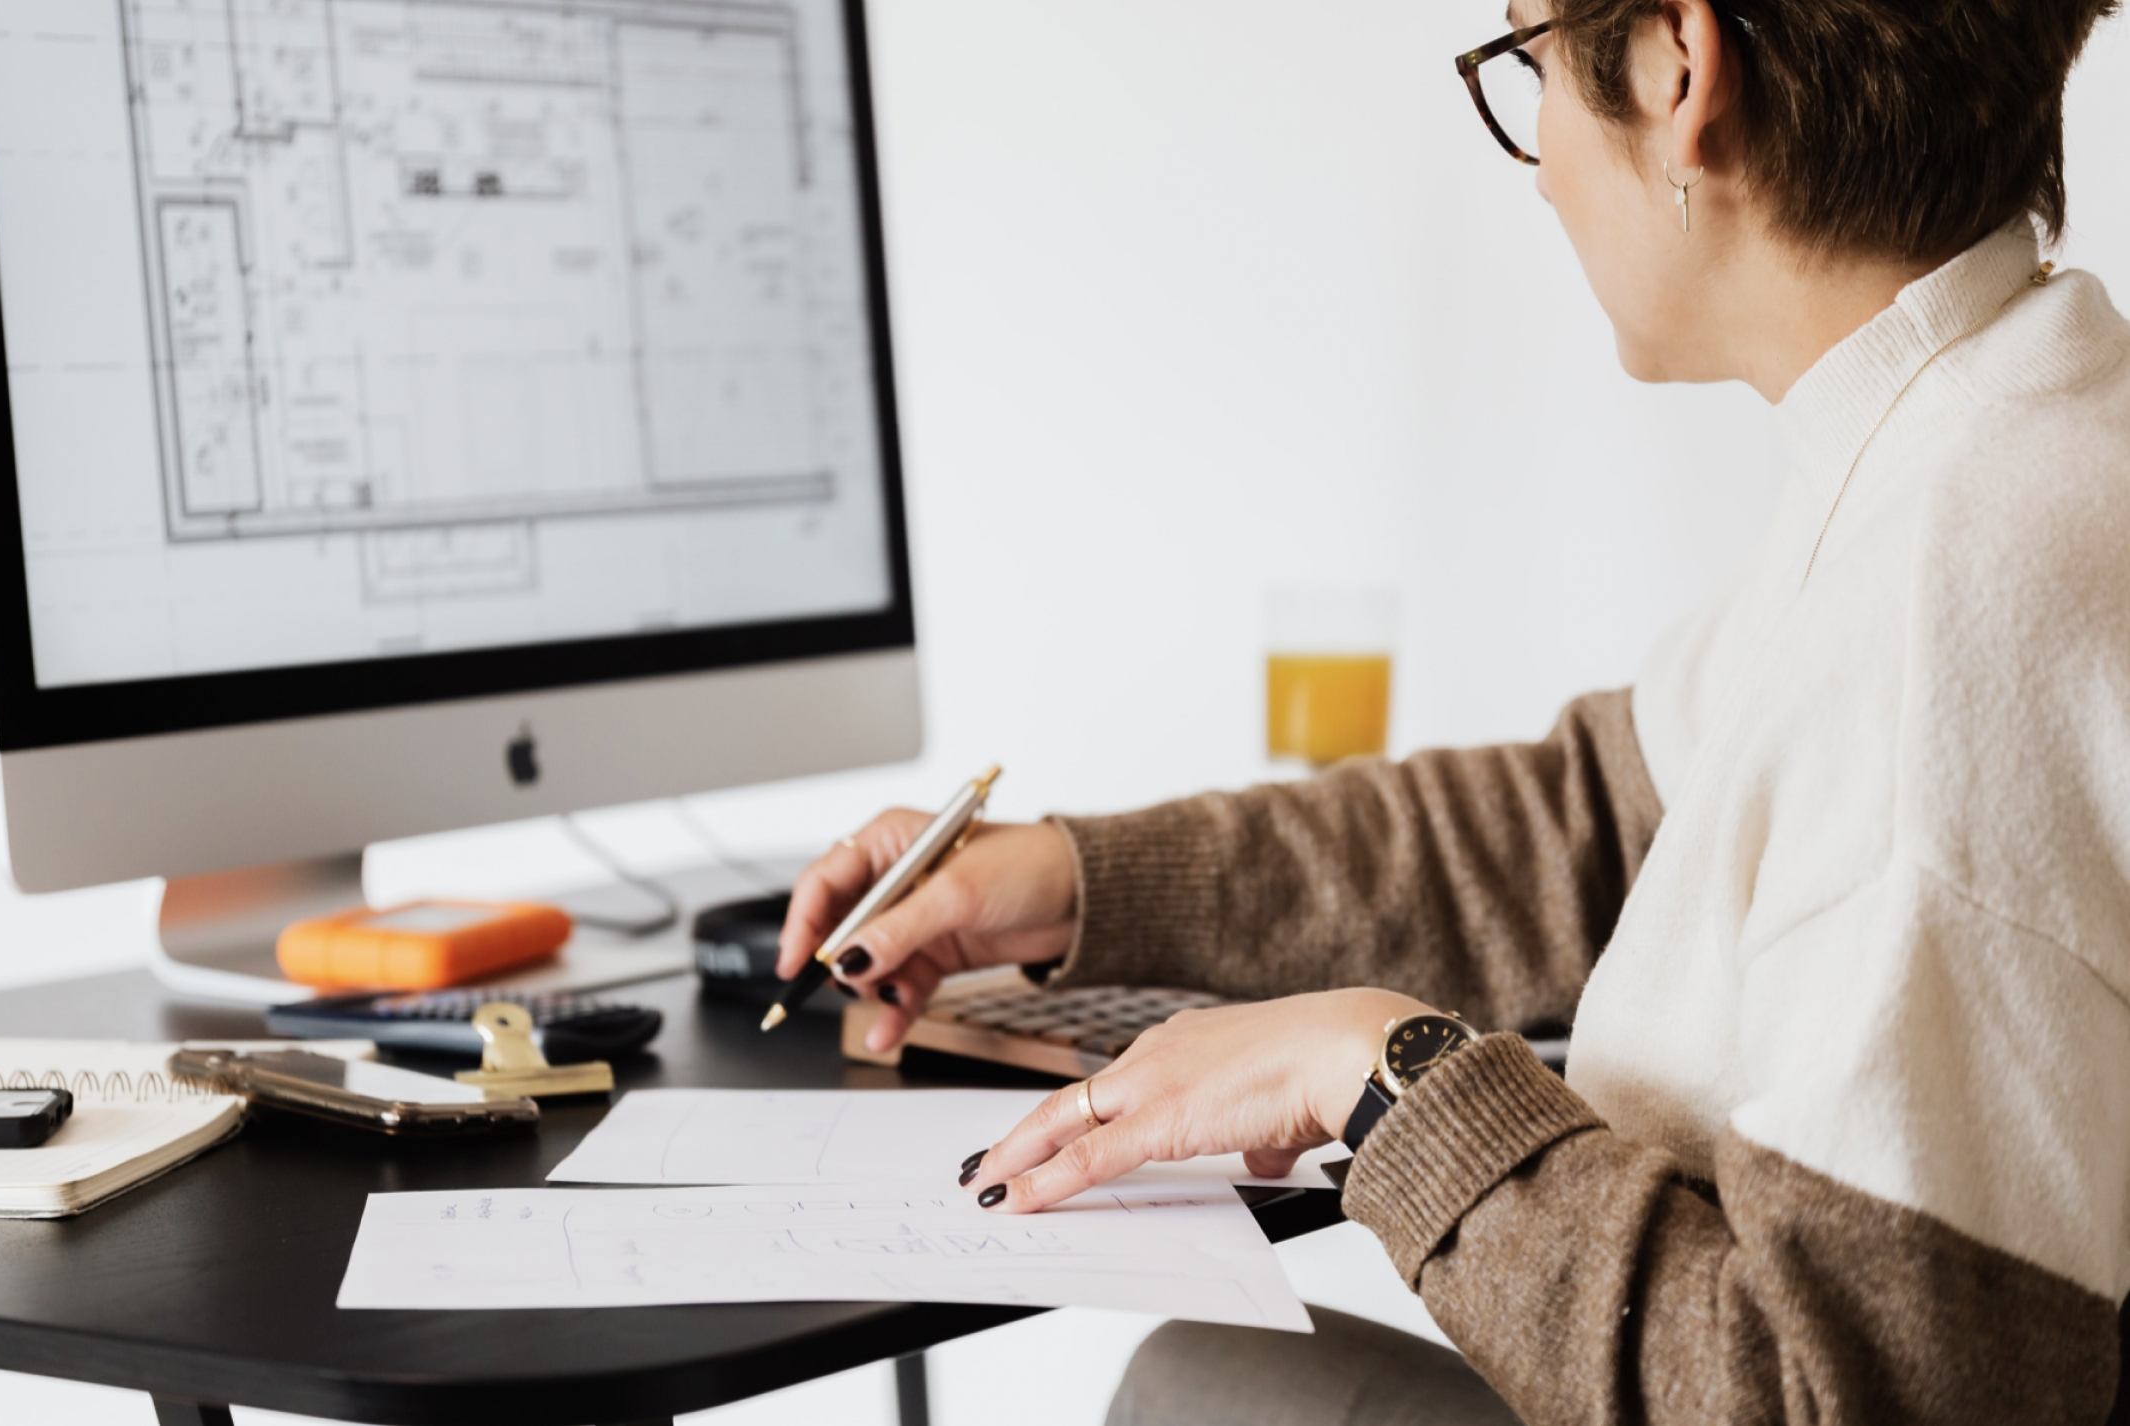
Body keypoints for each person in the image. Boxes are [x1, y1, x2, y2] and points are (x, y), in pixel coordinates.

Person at [779, 0, 2130, 1421]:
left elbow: (1859, 1394)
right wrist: (1077, 876)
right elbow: (1592, 820)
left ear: (1680, 63)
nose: (1539, 159)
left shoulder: (1946, 600)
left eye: (1527, 57)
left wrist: (1376, 1075)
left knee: (1203, 1393)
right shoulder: (1993, 429)